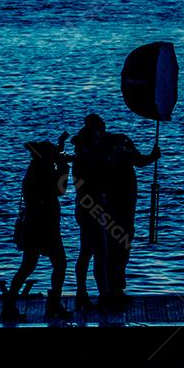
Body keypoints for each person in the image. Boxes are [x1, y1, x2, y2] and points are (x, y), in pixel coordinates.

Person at [3, 134, 72, 322]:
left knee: (27, 267)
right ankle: (54, 305)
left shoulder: (36, 168)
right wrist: (64, 167)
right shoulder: (43, 170)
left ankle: (9, 305)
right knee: (59, 264)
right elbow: (60, 189)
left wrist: (59, 161)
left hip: (34, 224)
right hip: (45, 225)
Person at [99, 128, 160, 310]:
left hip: (121, 206)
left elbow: (138, 160)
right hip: (114, 206)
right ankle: (111, 290)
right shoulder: (111, 145)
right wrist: (152, 156)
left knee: (119, 247)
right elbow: (139, 160)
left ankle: (115, 289)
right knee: (116, 248)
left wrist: (151, 156)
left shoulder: (112, 144)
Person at [71, 114, 108, 310]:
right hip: (90, 209)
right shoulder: (86, 160)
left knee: (88, 252)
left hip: (88, 208)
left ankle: (84, 292)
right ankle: (97, 293)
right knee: (96, 252)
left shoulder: (82, 158)